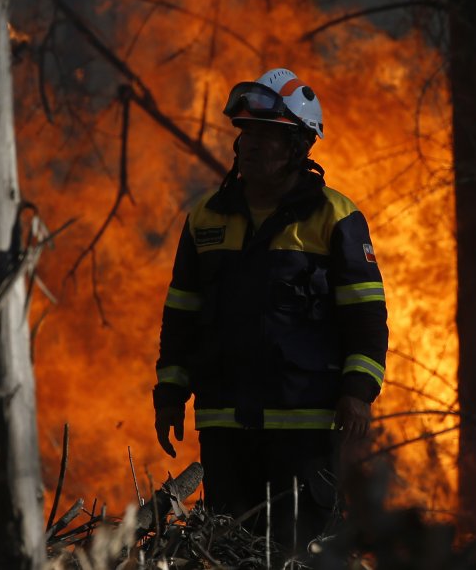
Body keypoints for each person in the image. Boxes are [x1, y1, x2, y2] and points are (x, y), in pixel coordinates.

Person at [152, 68, 388, 551]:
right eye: (246, 134)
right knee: (225, 552)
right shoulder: (205, 218)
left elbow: (365, 316)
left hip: (302, 428)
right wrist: (170, 391)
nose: (251, 146)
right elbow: (181, 315)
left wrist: (359, 389)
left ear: (300, 148)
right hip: (223, 425)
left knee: (300, 554)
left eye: (268, 135)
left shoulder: (336, 218)